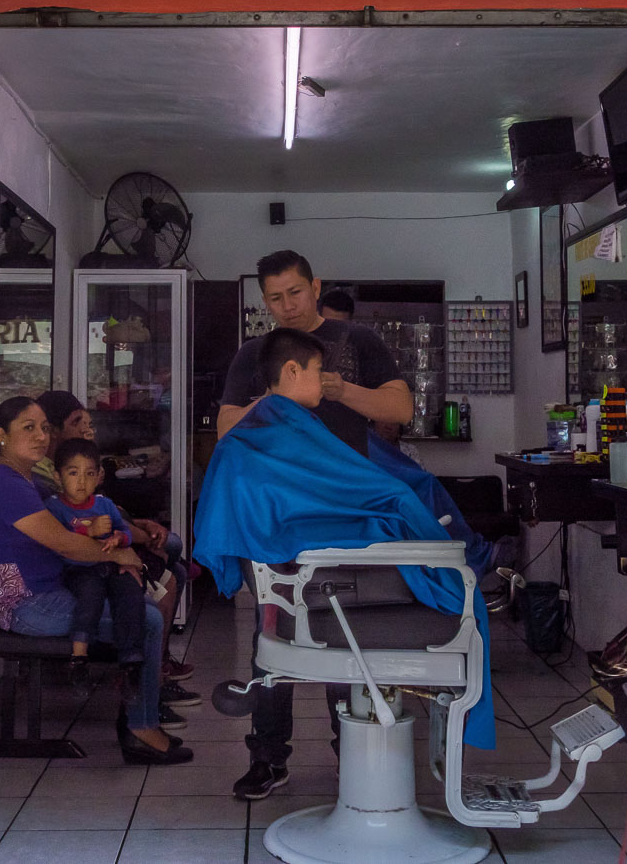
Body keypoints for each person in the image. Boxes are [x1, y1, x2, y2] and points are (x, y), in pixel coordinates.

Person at [196, 328, 493, 802]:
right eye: (318, 372)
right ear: (293, 371)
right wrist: (407, 518)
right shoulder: (284, 429)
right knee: (449, 570)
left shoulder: (251, 439)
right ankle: (321, 761)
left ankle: (344, 760)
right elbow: (369, 497)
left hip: (292, 593)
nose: (325, 382)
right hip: (327, 593)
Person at [0, 396, 192, 765]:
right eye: (28, 428)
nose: (41, 436)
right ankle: (140, 728)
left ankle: (139, 717)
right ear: (1, 435)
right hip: (26, 607)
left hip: (47, 593)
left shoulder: (21, 479)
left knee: (139, 604)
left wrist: (121, 542)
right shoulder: (5, 484)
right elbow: (66, 545)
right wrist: (122, 554)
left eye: (43, 427)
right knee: (149, 619)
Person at [33, 389, 198, 689]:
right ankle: (150, 680)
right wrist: (139, 537)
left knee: (174, 558)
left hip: (104, 547)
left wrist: (136, 526)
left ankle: (155, 666)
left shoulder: (78, 466)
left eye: (88, 422)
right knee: (170, 563)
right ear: (54, 432)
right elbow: (81, 526)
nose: (86, 429)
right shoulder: (50, 480)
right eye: (76, 422)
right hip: (84, 563)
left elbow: (105, 508)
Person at [219, 251, 412, 458]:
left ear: (315, 288)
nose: (288, 306)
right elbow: (225, 430)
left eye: (295, 292)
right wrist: (269, 400)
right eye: (276, 298)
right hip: (281, 483)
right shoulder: (254, 352)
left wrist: (343, 391)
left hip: (342, 482)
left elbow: (402, 409)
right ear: (266, 302)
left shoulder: (358, 339)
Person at [43, 438, 147, 682]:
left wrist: (120, 538)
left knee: (131, 591)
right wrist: (87, 533)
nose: (81, 481)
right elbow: (57, 543)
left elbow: (126, 532)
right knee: (91, 594)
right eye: (73, 473)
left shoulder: (104, 504)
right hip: (77, 570)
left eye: (89, 473)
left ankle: (131, 658)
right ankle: (80, 655)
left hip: (109, 565)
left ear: (99, 475)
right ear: (57, 477)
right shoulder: (54, 508)